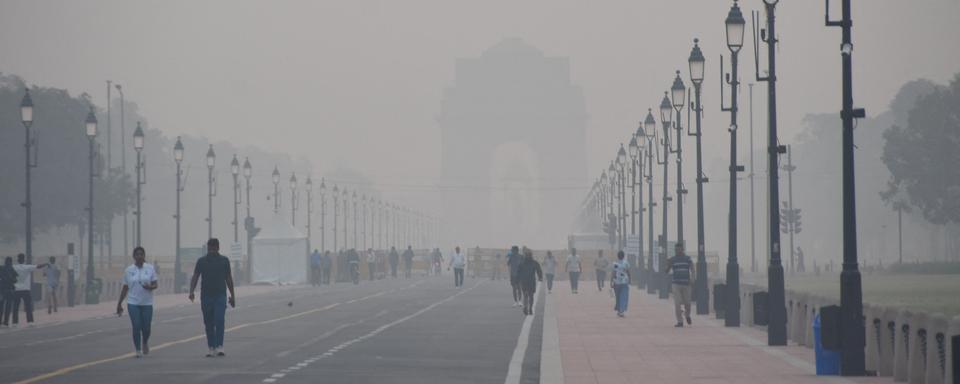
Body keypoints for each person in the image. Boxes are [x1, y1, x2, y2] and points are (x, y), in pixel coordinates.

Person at [189, 239, 236, 357]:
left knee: (219, 320)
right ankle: (211, 347)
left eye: (214, 248)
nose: (212, 251)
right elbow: (195, 277)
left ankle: (220, 346)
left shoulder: (224, 261)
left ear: (218, 248)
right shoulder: (201, 261)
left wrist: (233, 295)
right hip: (206, 296)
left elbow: (229, 278)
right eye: (210, 248)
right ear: (207, 249)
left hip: (220, 295)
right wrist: (191, 291)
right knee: (208, 322)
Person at [116, 247, 158, 357]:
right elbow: (125, 287)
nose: (139, 256)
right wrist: (119, 303)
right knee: (136, 325)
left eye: (141, 254)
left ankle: (145, 342)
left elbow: (155, 284)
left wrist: (150, 287)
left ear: (144, 256)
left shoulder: (150, 268)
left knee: (146, 327)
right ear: (134, 257)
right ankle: (138, 349)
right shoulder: (129, 270)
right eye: (137, 254)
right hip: (133, 302)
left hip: (147, 303)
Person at [12, 253, 48, 326]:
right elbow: (38, 266)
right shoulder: (27, 267)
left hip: (16, 289)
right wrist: (46, 264)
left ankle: (15, 322)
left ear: (18, 259)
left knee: (15, 307)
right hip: (26, 289)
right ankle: (30, 321)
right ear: (23, 259)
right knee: (28, 306)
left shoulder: (14, 267)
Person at [664, 242, 694, 327]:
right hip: (676, 284)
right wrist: (667, 264)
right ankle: (680, 321)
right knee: (677, 303)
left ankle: (687, 315)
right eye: (676, 250)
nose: (677, 251)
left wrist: (693, 277)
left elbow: (692, 268)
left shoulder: (687, 259)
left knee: (688, 303)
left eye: (678, 249)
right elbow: (666, 271)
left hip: (686, 284)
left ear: (682, 249)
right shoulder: (673, 259)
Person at [516, 248, 542, 316]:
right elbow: (539, 270)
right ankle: (529, 308)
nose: (528, 256)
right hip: (530, 282)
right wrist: (540, 277)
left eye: (528, 255)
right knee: (530, 296)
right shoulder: (534, 262)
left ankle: (527, 307)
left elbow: (518, 272)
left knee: (526, 296)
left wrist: (517, 280)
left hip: (525, 281)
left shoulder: (522, 263)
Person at [611, 250, 631, 317]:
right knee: (624, 296)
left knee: (618, 297)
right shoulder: (626, 263)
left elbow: (613, 273)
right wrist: (630, 279)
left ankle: (619, 310)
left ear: (618, 256)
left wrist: (611, 281)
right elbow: (628, 272)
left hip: (616, 282)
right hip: (624, 282)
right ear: (623, 256)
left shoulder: (615, 264)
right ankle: (621, 311)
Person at [0, 257, 17, 327]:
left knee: (1, 306)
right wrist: (11, 280)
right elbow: (16, 279)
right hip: (9, 290)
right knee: (8, 306)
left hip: (2, 290)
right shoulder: (11, 269)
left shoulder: (1, 268)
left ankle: (1, 321)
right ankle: (6, 321)